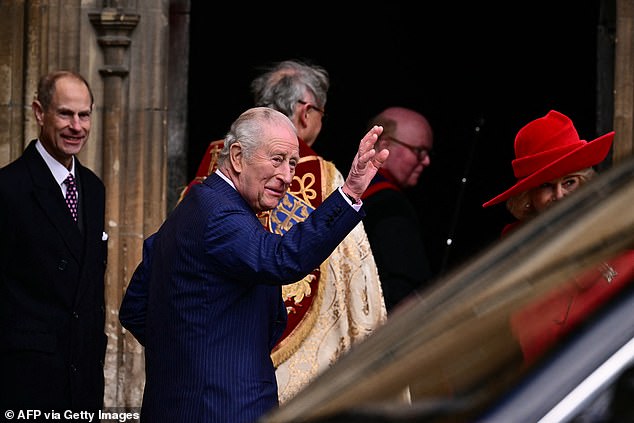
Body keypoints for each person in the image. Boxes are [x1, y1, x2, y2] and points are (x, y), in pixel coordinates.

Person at [119, 106, 389, 423]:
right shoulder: (221, 214)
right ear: (236, 157)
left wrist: (186, 357)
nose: (288, 177)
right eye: (276, 160)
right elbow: (281, 258)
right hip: (224, 409)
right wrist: (350, 193)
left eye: (292, 164)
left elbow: (135, 307)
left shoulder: (195, 206)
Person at [180, 59, 386, 402]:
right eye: (321, 113)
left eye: (289, 164)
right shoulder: (327, 179)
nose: (287, 176)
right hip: (272, 385)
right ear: (305, 113)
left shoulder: (209, 172)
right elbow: (355, 284)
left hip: (204, 373)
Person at [481, 109, 634, 364]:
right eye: (546, 186)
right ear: (527, 199)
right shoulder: (515, 259)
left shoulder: (617, 236)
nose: (560, 195)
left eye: (570, 182)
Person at [0, 71, 108, 414]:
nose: (76, 126)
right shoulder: (8, 188)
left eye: (84, 114)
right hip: (25, 384)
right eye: (65, 114)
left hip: (83, 382)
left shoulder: (93, 189)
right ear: (38, 112)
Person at [361, 106, 434, 313]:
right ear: (385, 146)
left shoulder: (338, 186)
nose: (426, 161)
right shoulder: (391, 205)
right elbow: (407, 291)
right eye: (419, 151)